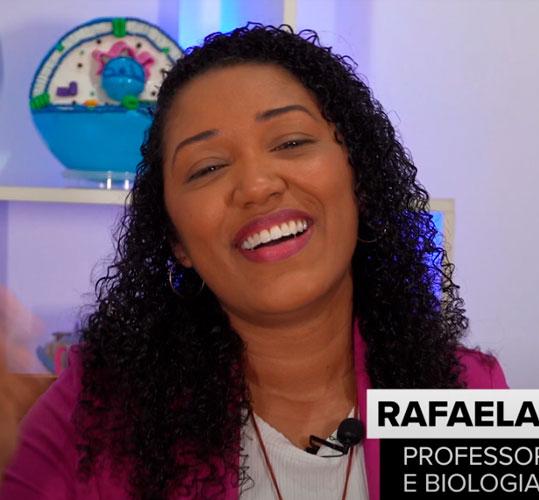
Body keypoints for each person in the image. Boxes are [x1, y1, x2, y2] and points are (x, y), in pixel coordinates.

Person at [0, 23, 508, 499]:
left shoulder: (468, 391)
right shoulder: (96, 408)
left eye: (291, 142)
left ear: (361, 180)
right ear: (177, 240)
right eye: (208, 168)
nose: (257, 186)